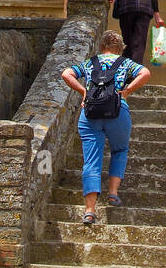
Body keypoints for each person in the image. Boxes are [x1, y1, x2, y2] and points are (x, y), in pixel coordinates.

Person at [60, 30, 151, 225]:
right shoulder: (125, 63)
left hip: (90, 114)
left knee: (91, 160)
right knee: (120, 149)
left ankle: (90, 211)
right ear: (120, 49)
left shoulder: (90, 63)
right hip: (118, 111)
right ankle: (112, 192)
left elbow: (66, 73)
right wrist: (126, 91)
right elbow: (145, 73)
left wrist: (83, 91)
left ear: (102, 47)